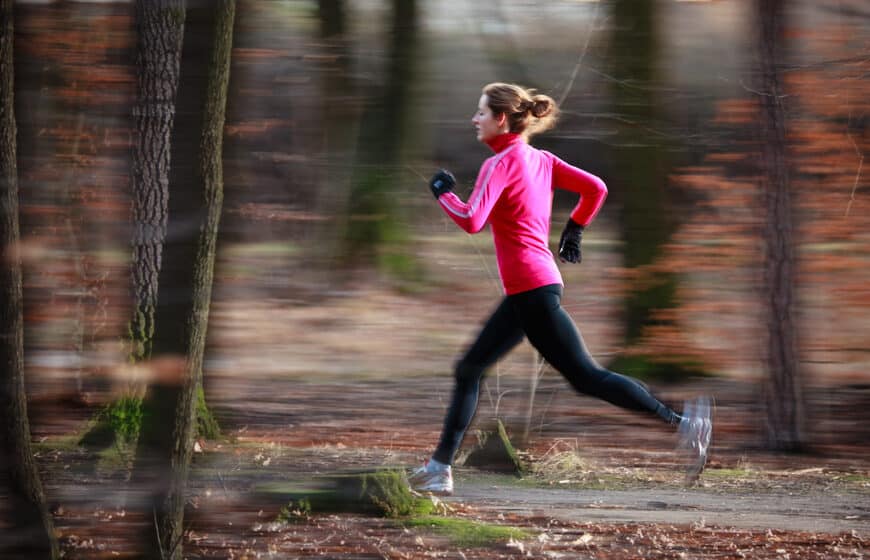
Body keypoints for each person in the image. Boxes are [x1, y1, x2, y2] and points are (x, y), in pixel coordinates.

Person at [409, 82, 712, 495]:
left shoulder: (498, 165)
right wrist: (576, 229)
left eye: (480, 112)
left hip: (531, 290)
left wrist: (443, 195)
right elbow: (596, 188)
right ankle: (439, 468)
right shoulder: (542, 160)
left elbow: (471, 220)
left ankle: (684, 423)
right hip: (536, 287)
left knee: (577, 375)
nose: (474, 119)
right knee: (488, 370)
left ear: (501, 118)